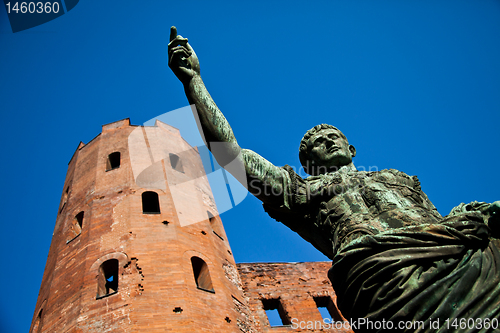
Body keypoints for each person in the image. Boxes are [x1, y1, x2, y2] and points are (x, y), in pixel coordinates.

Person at [168, 27, 500, 332]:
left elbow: (440, 220)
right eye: (316, 142)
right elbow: (231, 155)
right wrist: (193, 80)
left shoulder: (399, 178)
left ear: (351, 147)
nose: (327, 140)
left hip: (462, 257)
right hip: (387, 281)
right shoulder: (299, 192)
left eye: (333, 135)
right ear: (308, 163)